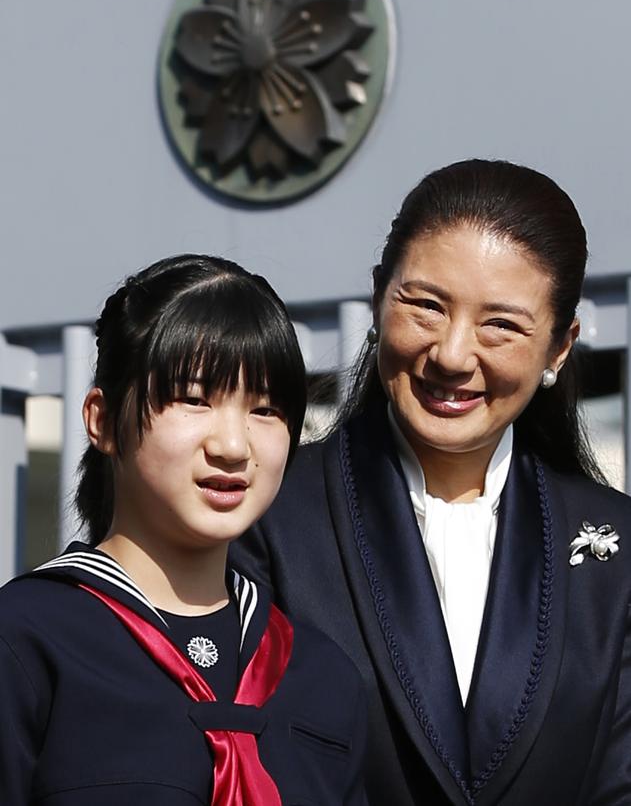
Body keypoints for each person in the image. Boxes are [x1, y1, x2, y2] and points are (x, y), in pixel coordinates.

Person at [232, 159, 631, 806]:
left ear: (559, 347)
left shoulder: (614, 548)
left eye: (499, 324)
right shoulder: (266, 516)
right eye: (424, 306)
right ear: (376, 297)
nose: (450, 353)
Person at [0, 254, 367, 806]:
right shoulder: (25, 640)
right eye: (194, 400)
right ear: (101, 420)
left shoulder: (321, 675)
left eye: (265, 410)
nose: (233, 446)